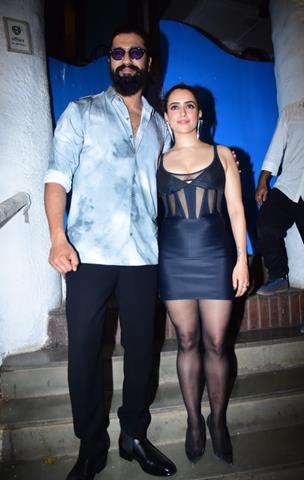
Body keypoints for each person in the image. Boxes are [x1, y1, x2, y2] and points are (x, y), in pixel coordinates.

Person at [44, 25, 176, 480]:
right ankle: (91, 443)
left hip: (143, 255)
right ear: (110, 61)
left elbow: (178, 177)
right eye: (117, 52)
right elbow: (57, 178)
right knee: (83, 350)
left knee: (142, 349)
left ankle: (133, 436)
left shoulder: (162, 125)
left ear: (148, 62)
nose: (126, 59)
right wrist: (58, 238)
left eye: (135, 52)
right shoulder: (81, 112)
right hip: (89, 252)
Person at [157, 84, 249, 465]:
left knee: (215, 342)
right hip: (173, 258)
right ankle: (194, 421)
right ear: (166, 117)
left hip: (216, 257)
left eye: (188, 106)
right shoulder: (154, 159)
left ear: (200, 114)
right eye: (174, 107)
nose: (181, 112)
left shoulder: (223, 155)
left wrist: (242, 259)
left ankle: (219, 420)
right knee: (187, 340)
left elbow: (237, 211)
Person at [255, 98, 304, 295]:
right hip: (288, 185)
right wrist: (263, 181)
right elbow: (275, 150)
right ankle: (278, 276)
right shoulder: (291, 112)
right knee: (266, 224)